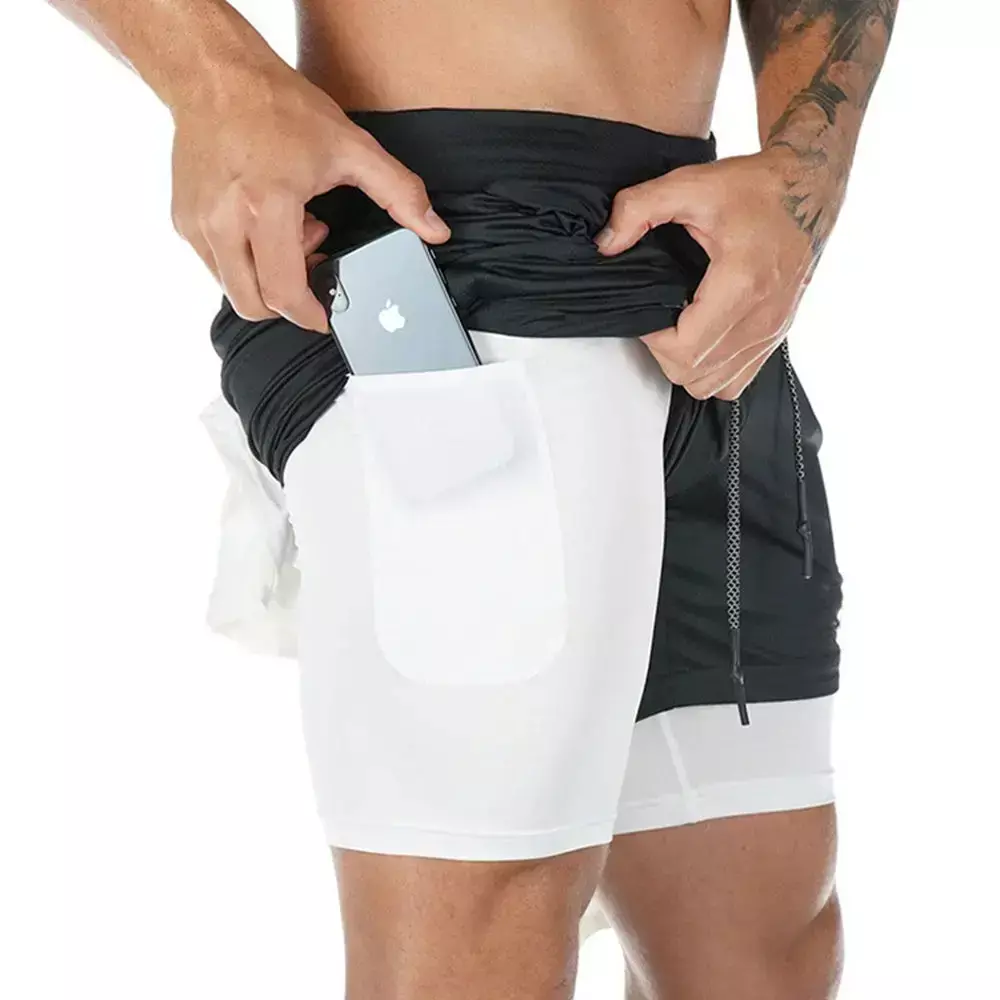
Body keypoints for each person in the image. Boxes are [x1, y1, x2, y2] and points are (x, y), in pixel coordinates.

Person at [48, 1, 896, 997]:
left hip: (707, 296)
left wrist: (805, 172)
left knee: (759, 956)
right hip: (455, 269)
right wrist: (216, 80)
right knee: (483, 935)